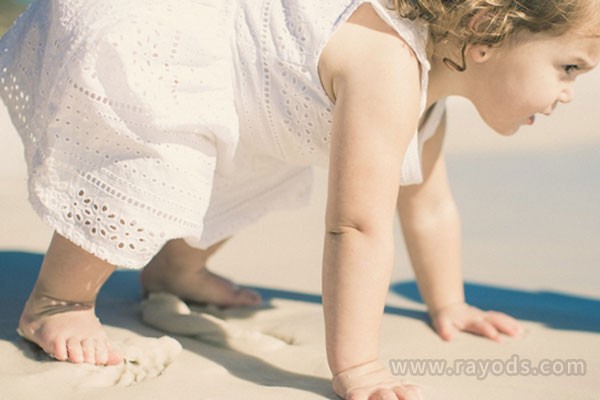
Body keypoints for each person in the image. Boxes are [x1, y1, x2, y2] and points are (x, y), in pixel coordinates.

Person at [1, 0, 599, 398]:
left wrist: (450, 304)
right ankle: (57, 301)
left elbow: (427, 205)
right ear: (484, 36)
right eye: (568, 66)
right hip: (162, 35)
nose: (570, 92)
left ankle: (175, 272)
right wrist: (358, 366)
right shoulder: (389, 66)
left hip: (252, 93)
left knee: (254, 170)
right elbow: (357, 227)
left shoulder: (427, 101)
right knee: (150, 168)